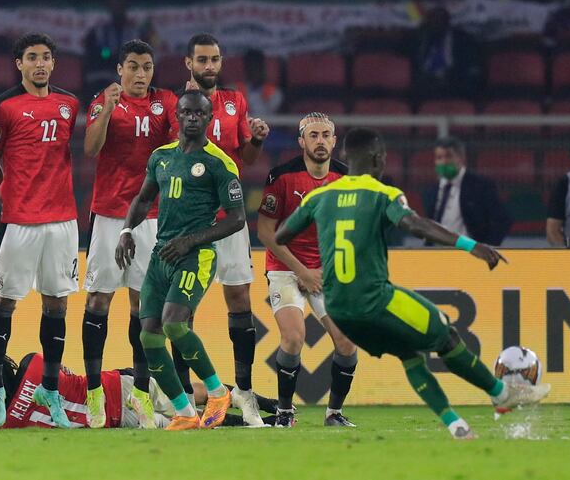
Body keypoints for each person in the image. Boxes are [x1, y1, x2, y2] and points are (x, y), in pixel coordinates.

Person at [275, 127, 550, 439]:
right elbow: (416, 226)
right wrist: (471, 245)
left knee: (409, 353)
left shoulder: (318, 197)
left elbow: (282, 234)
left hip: (339, 310)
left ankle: (456, 425)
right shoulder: (384, 194)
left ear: (344, 156)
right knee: (445, 333)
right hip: (375, 300)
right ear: (379, 158)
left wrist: (321, 229)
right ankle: (501, 394)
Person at [115, 90, 245, 431]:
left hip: (195, 255)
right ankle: (185, 412)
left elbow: (236, 219)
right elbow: (143, 199)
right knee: (149, 335)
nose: (191, 118)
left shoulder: (220, 164)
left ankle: (217, 393)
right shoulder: (161, 157)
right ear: (177, 115)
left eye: (198, 114)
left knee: (174, 323)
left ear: (209, 118)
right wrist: (126, 230)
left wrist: (190, 240)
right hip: (161, 255)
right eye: (186, 112)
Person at [169, 33, 270, 427]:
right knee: (180, 307)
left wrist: (257, 141)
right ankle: (181, 399)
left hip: (228, 218)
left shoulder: (235, 102)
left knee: (239, 298)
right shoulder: (174, 104)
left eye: (214, 59)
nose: (209, 66)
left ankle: (243, 393)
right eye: (202, 60)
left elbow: (245, 157)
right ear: (188, 63)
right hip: (189, 218)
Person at [0, 33, 80, 429]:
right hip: (20, 222)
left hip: (62, 221)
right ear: (18, 63)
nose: (40, 64)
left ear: (53, 64)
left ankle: (51, 390)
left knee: (57, 304)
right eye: (32, 58)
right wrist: (8, 196)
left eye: (46, 58)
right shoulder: (3, 108)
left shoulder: (69, 105)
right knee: (5, 302)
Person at [81, 39, 177, 428]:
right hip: (108, 214)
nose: (140, 74)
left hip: (151, 217)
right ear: (119, 68)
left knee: (145, 306)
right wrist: (105, 108)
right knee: (99, 301)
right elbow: (90, 148)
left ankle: (140, 392)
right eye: (133, 67)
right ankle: (92, 393)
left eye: (147, 67)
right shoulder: (103, 102)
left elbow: (178, 144)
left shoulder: (166, 101)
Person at [256, 112, 357, 428]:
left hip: (325, 270)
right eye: (313, 135)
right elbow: (265, 232)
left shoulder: (347, 179)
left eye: (326, 135)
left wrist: (328, 267)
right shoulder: (282, 177)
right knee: (294, 337)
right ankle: (285, 412)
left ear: (335, 141)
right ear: (301, 141)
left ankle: (334, 414)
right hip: (286, 268)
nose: (321, 141)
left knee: (347, 342)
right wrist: (302, 271)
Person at [0, 353, 280, 429]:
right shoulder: (33, 363)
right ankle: (268, 405)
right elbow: (65, 372)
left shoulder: (6, 421)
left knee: (188, 420)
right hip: (118, 384)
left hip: (115, 419)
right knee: (187, 392)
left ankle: (263, 421)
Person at [423, 137, 512, 246]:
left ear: (461, 158)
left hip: (471, 253)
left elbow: (503, 220)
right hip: (438, 254)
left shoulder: (480, 186)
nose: (444, 162)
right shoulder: (432, 191)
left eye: (449, 156)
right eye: (439, 157)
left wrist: (488, 247)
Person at [234, 48, 282, 117]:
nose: (254, 71)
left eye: (257, 67)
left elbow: (269, 117)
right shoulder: (235, 91)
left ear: (263, 68)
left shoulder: (275, 93)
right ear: (246, 69)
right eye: (251, 67)